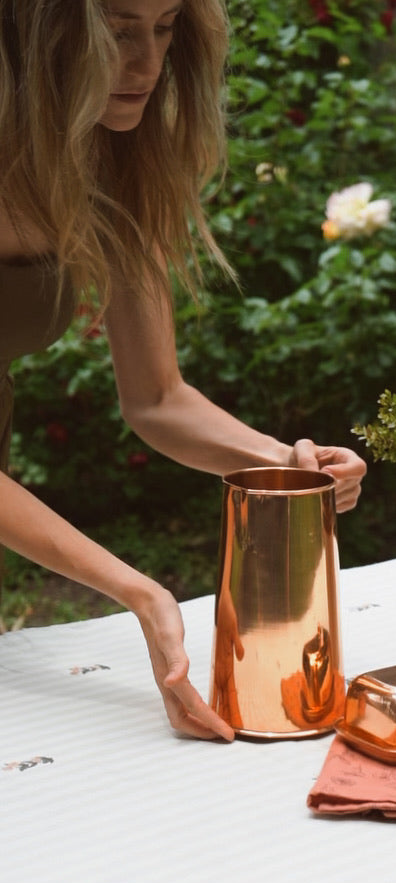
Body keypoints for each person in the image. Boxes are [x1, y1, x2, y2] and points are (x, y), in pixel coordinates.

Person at [0, 0, 366, 742]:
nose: (148, 63)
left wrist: (287, 468)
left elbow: (159, 397)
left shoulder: (112, 151)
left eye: (165, 27)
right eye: (119, 29)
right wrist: (139, 591)